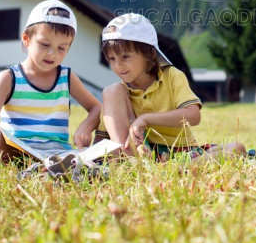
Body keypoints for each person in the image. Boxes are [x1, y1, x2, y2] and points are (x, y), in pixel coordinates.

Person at [95, 13, 246, 165]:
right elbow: (102, 136)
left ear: (151, 54)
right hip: (142, 153)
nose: (118, 65)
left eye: (125, 57)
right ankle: (135, 162)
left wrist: (145, 119)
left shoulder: (172, 76)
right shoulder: (117, 93)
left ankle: (169, 168)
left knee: (236, 149)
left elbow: (194, 116)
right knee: (111, 92)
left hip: (183, 152)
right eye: (112, 59)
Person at [0, 0, 102, 161]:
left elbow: (96, 107)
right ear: (26, 40)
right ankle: (40, 164)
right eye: (45, 44)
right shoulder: (8, 78)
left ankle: (45, 165)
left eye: (61, 48)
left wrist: (86, 126)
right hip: (18, 149)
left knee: (100, 155)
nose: (52, 53)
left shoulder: (66, 78)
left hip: (58, 152)